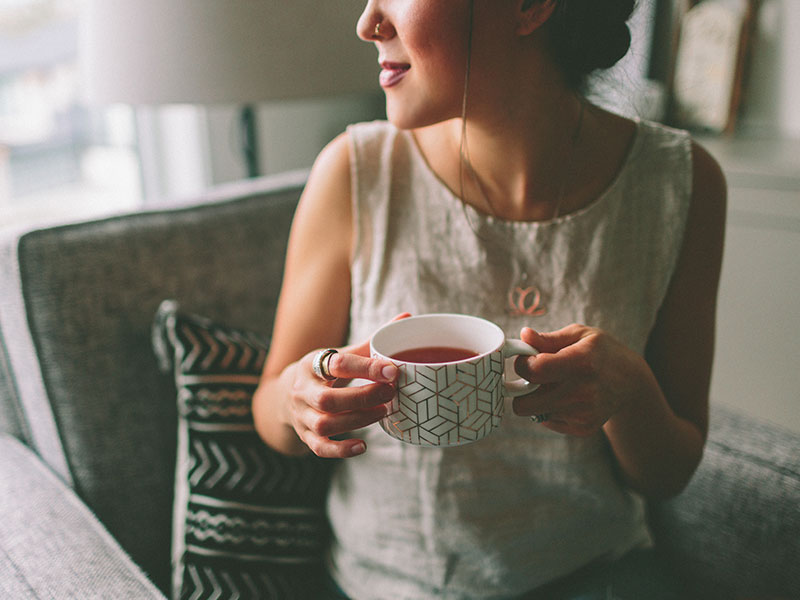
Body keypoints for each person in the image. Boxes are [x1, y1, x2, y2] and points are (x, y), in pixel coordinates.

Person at [252, 0, 727, 598]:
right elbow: (269, 412)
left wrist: (629, 389)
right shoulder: (356, 172)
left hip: (595, 575)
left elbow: (669, 474)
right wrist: (303, 393)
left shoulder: (678, 184)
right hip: (390, 585)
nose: (368, 23)